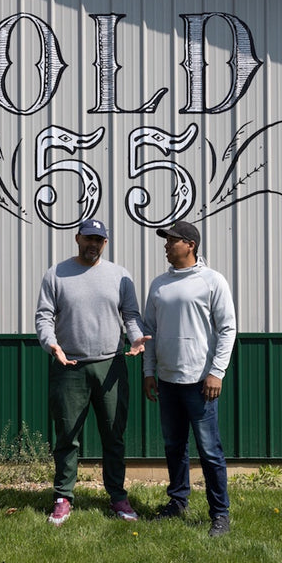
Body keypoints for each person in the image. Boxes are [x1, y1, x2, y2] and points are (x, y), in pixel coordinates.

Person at [35, 218, 150, 526]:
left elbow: (131, 315)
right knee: (67, 436)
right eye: (88, 239)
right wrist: (52, 345)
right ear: (77, 238)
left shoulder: (119, 276)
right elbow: (44, 316)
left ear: (105, 243)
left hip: (111, 366)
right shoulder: (56, 274)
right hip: (69, 366)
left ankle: (117, 497)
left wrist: (137, 337)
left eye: (98, 240)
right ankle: (62, 497)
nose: (93, 244)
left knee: (113, 435)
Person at [142, 220, 237, 537]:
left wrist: (216, 372)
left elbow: (227, 329)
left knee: (210, 451)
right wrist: (148, 372)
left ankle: (219, 515)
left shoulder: (212, 281)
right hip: (167, 382)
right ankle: (178, 502)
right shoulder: (159, 285)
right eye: (166, 241)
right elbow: (150, 334)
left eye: (172, 241)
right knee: (174, 446)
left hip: (201, 383)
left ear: (190, 245)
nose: (166, 246)